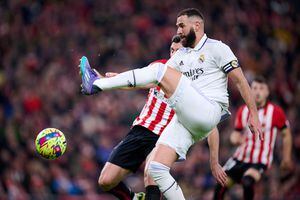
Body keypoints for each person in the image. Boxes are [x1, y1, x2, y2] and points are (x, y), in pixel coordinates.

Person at [79, 8, 262, 200]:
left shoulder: (217, 48)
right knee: (157, 168)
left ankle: (95, 85)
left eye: (182, 25)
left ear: (197, 25)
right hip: (187, 122)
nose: (178, 30)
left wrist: (254, 114)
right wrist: (118, 79)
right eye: (177, 26)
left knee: (159, 70)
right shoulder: (182, 57)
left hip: (209, 109)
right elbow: (150, 80)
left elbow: (240, 81)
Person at [95, 36, 182, 200]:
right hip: (141, 130)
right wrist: (110, 80)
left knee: (152, 173)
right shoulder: (158, 66)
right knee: (106, 181)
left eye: (178, 51)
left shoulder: (189, 78)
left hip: (165, 136)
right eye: (172, 50)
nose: (174, 53)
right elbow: (138, 80)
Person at [213, 76, 293, 200]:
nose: (257, 91)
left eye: (261, 88)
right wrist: (235, 139)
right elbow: (235, 134)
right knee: (221, 183)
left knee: (247, 182)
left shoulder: (275, 112)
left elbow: (286, 133)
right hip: (240, 158)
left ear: (267, 92)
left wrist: (286, 157)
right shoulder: (243, 110)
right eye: (254, 88)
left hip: (259, 161)